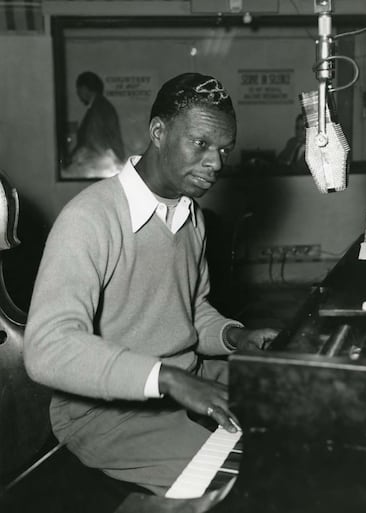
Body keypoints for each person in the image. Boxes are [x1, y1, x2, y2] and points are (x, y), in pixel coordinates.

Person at [23, 72, 279, 496]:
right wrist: (169, 379)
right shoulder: (90, 219)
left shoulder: (188, 213)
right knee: (249, 480)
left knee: (295, 410)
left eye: (223, 150)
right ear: (158, 132)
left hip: (184, 378)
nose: (215, 163)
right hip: (105, 412)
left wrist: (236, 335)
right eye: (200, 144)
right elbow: (47, 348)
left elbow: (191, 311)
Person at [69, 71, 125, 171]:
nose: (78, 93)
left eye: (78, 90)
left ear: (85, 89)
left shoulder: (98, 109)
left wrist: (77, 156)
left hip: (99, 165)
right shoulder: (100, 106)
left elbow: (93, 140)